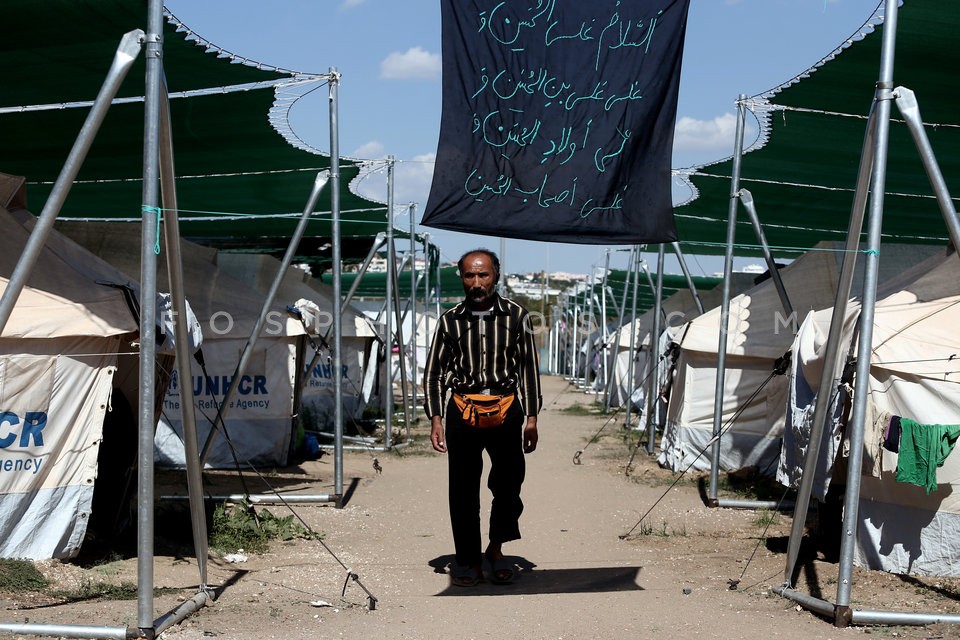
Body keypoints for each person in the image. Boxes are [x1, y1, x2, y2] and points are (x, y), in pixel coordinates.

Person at [423, 248, 542, 587]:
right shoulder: (449, 320)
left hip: (506, 411)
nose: (476, 282)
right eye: (469, 276)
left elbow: (530, 370)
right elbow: (433, 374)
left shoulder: (517, 317)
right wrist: (435, 418)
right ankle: (466, 561)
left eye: (483, 275)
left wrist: (532, 417)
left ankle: (496, 549)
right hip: (462, 411)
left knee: (508, 485)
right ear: (462, 278)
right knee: (462, 490)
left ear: (496, 276)